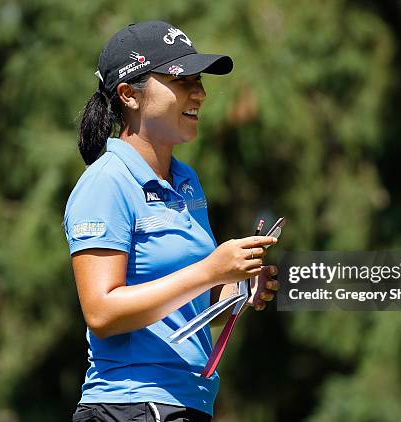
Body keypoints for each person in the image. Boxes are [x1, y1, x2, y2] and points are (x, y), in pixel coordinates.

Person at [63, 21, 279, 422]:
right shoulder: (106, 182)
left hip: (186, 403)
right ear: (129, 95)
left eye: (198, 80)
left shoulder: (187, 182)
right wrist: (210, 271)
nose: (199, 92)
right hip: (128, 407)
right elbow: (102, 313)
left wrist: (234, 286)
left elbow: (186, 301)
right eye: (181, 81)